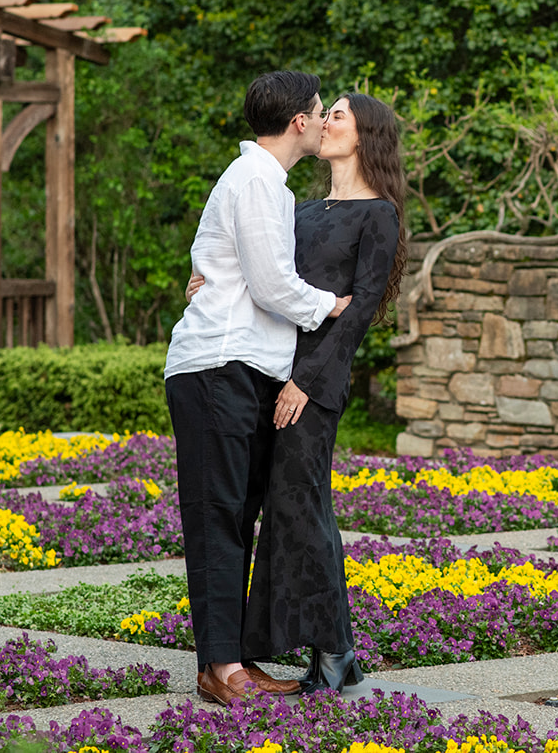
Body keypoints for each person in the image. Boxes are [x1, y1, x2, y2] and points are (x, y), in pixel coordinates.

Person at [187, 92, 408, 694]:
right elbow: (263, 272)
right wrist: (210, 278)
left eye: (338, 114)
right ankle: (283, 647)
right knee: (274, 511)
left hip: (312, 384)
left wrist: (308, 383)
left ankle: (336, 649)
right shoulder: (297, 209)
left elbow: (360, 312)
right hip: (268, 374)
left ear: (366, 135)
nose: (323, 121)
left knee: (301, 507)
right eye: (324, 111)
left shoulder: (379, 214)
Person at [163, 71, 353, 707]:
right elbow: (272, 285)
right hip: (218, 365)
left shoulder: (263, 183)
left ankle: (230, 660)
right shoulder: (253, 180)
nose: (327, 120)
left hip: (243, 367)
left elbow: (212, 259)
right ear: (299, 121)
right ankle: (220, 669)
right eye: (322, 111)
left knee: (238, 515)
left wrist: (208, 278)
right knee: (219, 516)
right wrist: (333, 306)